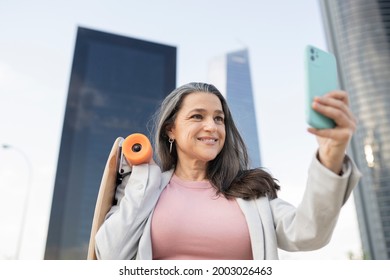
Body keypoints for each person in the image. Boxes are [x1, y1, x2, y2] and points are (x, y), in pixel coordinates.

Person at [95, 82, 361, 260]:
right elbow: (109, 254)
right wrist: (143, 180)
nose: (212, 126)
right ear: (170, 129)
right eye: (197, 116)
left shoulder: (252, 194)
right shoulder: (145, 189)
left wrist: (331, 155)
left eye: (218, 118)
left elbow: (308, 233)